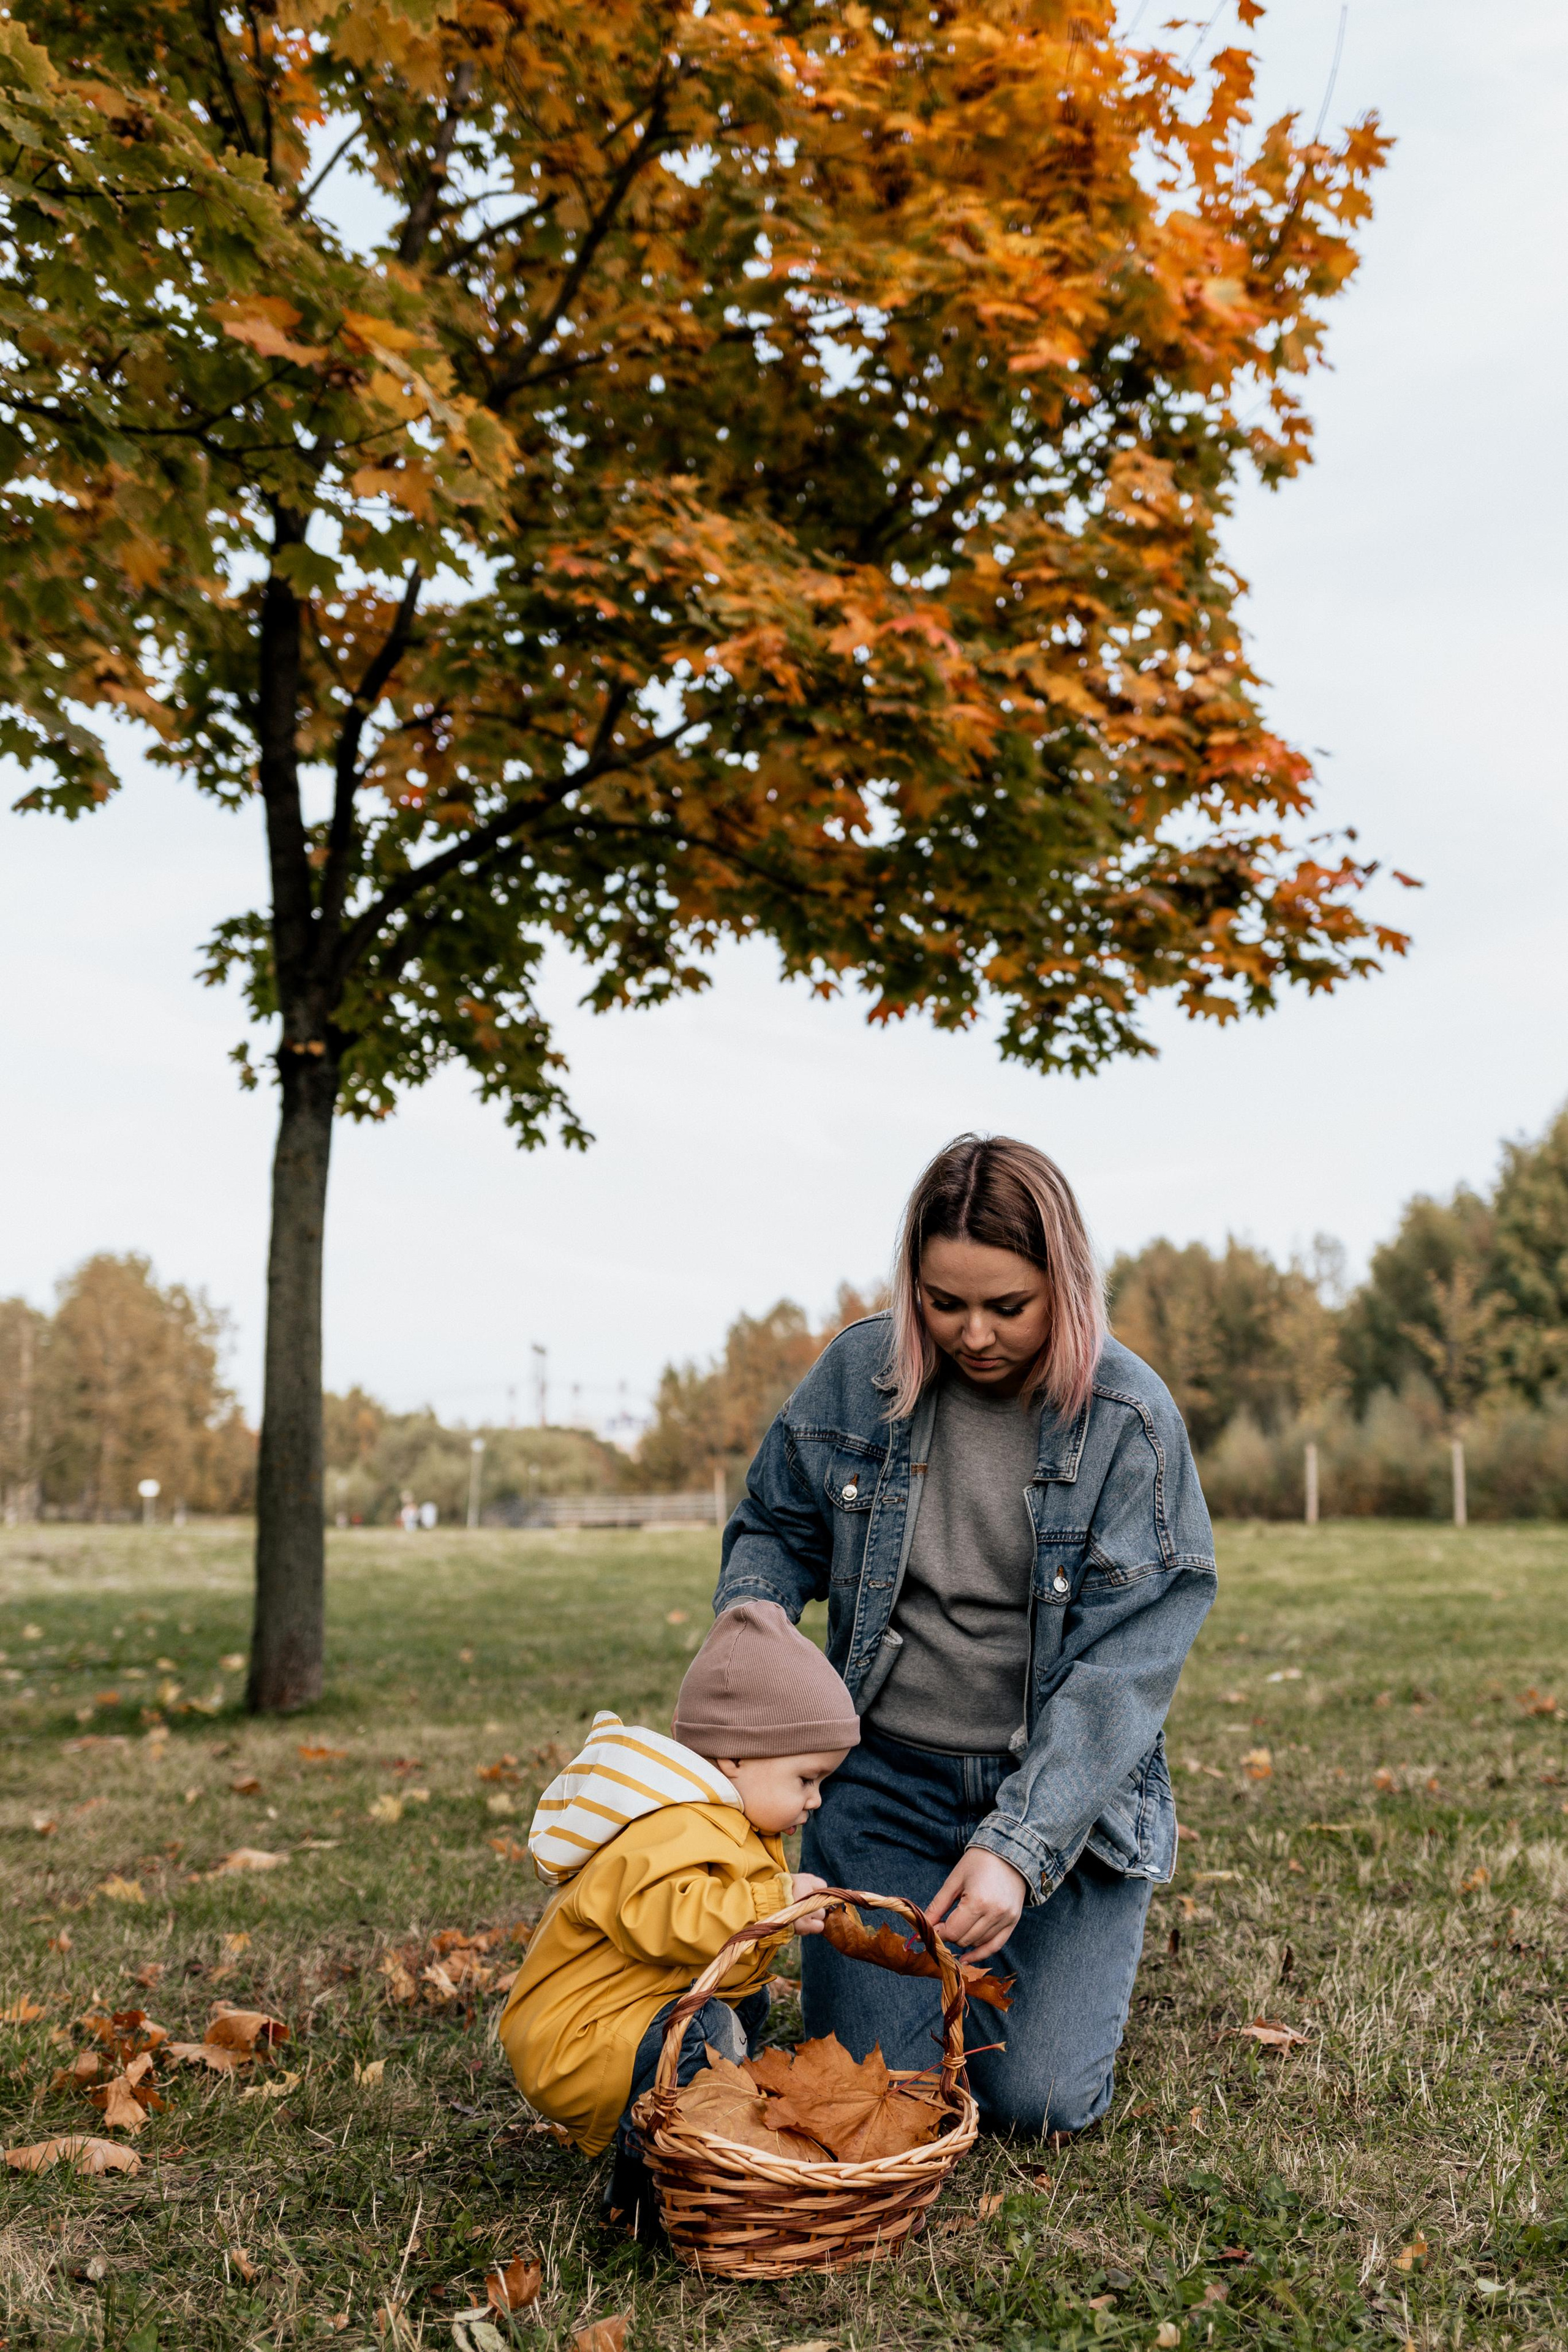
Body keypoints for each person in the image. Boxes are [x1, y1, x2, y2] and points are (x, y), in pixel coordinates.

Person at [714, 1133, 1216, 2139]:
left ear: (1064, 1285)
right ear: (913, 1286)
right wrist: (754, 1638)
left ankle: (1030, 1946)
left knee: (1035, 2103)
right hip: (884, 1784)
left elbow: (1128, 1661)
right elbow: (774, 1527)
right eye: (945, 1304)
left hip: (1061, 1803)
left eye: (1007, 1307)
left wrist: (1020, 1849)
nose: (973, 1333)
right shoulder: (859, 1375)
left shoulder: (1130, 1420)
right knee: (877, 2101)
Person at [497, 1601, 854, 2232]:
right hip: (580, 2037)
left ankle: (696, 2125)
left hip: (621, 2016)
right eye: (805, 1778)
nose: (815, 1799)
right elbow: (669, 1920)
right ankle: (649, 2190)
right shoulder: (676, 1825)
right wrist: (772, 1903)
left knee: (743, 2008)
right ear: (736, 1757)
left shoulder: (726, 1818)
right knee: (704, 2033)